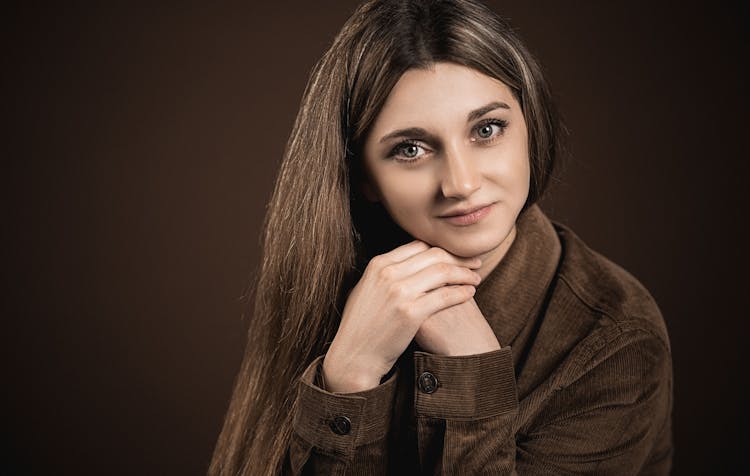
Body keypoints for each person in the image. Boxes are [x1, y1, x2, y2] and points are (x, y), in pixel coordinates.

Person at [210, 0, 673, 474]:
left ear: (529, 125)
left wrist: (474, 374)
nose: (461, 183)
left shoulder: (613, 341)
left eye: (487, 129)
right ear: (362, 175)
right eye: (411, 149)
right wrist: (350, 376)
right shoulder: (328, 287)